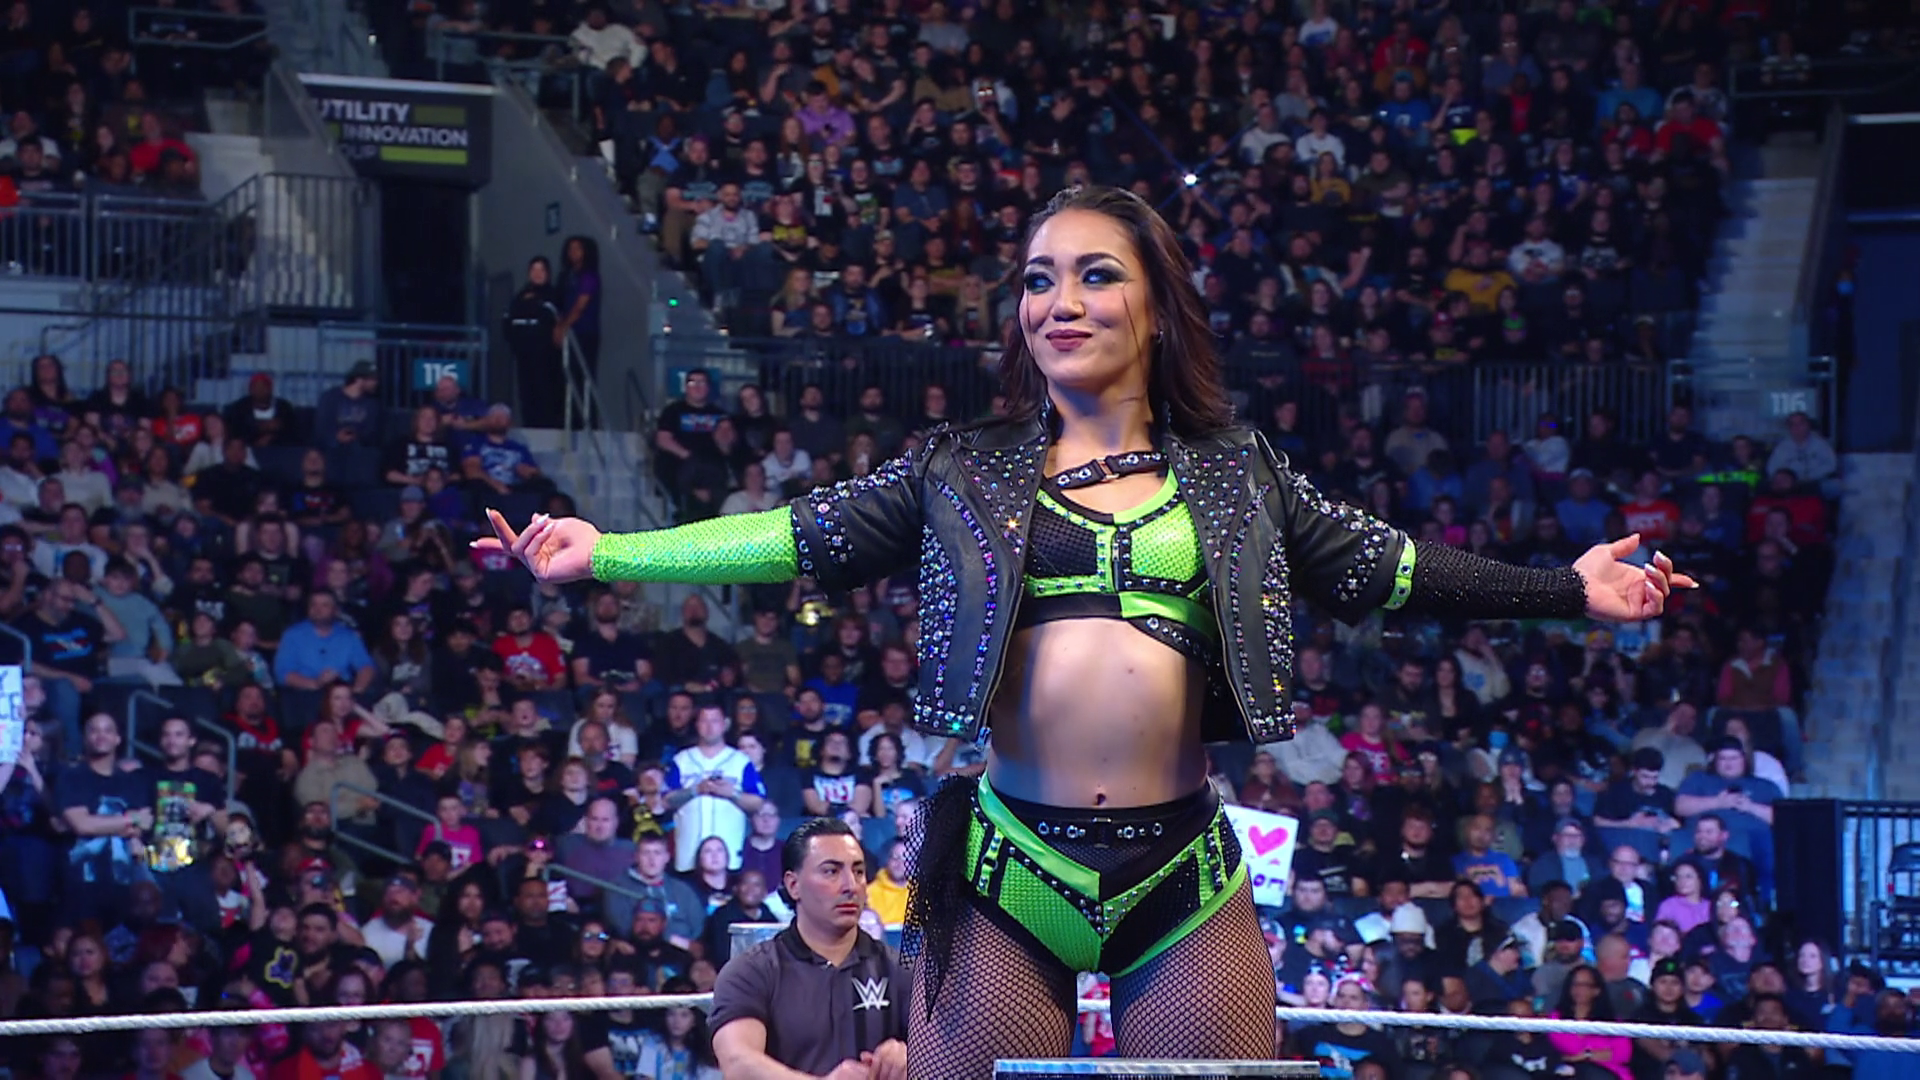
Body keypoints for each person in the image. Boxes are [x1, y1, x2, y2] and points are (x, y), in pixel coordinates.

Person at [479, 185, 1692, 1070]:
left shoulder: (1237, 470)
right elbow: (796, 537)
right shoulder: (960, 465)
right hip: (1010, 867)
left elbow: (1391, 568)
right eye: (1037, 279)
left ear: (1156, 307)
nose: (1060, 301)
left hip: (1181, 869)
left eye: (1095, 275)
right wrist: (611, 553)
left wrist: (1564, 589)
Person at [709, 818, 908, 1080]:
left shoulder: (900, 970)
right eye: (831, 871)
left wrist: (912, 1056)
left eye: (858, 872)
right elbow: (738, 1063)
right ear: (793, 885)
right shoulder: (752, 971)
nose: (850, 886)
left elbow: (948, 1056)